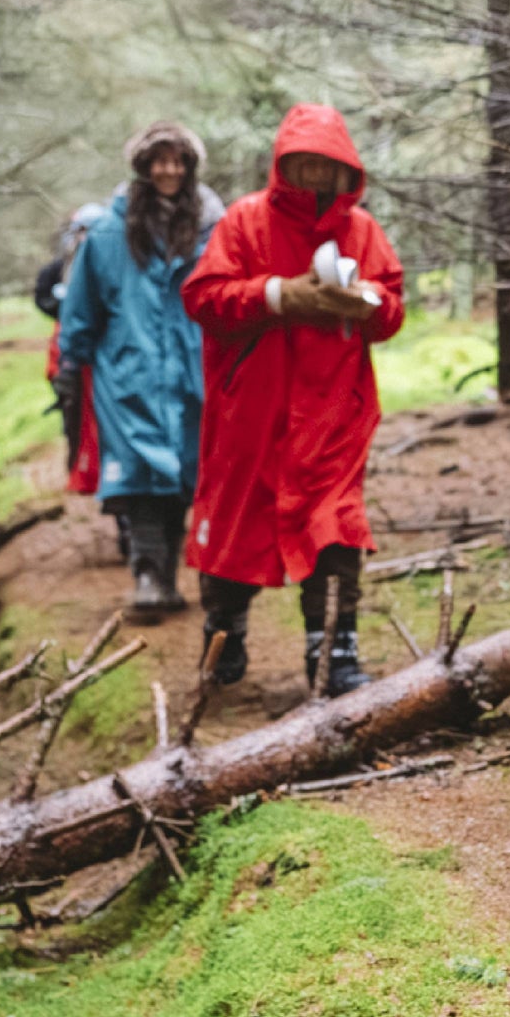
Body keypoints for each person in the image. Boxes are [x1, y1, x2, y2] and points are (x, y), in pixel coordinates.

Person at [181, 103, 405, 695]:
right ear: (282, 164)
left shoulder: (361, 230)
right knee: (237, 528)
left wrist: (367, 303)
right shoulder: (245, 221)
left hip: (333, 412)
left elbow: (391, 312)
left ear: (346, 168)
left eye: (326, 164)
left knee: (335, 527)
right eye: (303, 162)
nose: (315, 175)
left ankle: (333, 654)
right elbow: (204, 298)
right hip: (251, 413)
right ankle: (224, 633)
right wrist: (278, 296)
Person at [55, 122, 226, 618]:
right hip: (129, 371)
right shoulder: (109, 233)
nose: (168, 170)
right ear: (143, 167)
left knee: (184, 473)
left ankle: (167, 573)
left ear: (190, 167)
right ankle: (148, 576)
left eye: (177, 161)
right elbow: (82, 305)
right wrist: (71, 361)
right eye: (159, 161)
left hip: (195, 371)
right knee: (139, 473)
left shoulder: (215, 230)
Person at [39, 205, 105, 499]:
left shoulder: (108, 262)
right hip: (68, 354)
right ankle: (77, 470)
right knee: (73, 414)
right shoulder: (60, 267)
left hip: (97, 356)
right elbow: (44, 298)